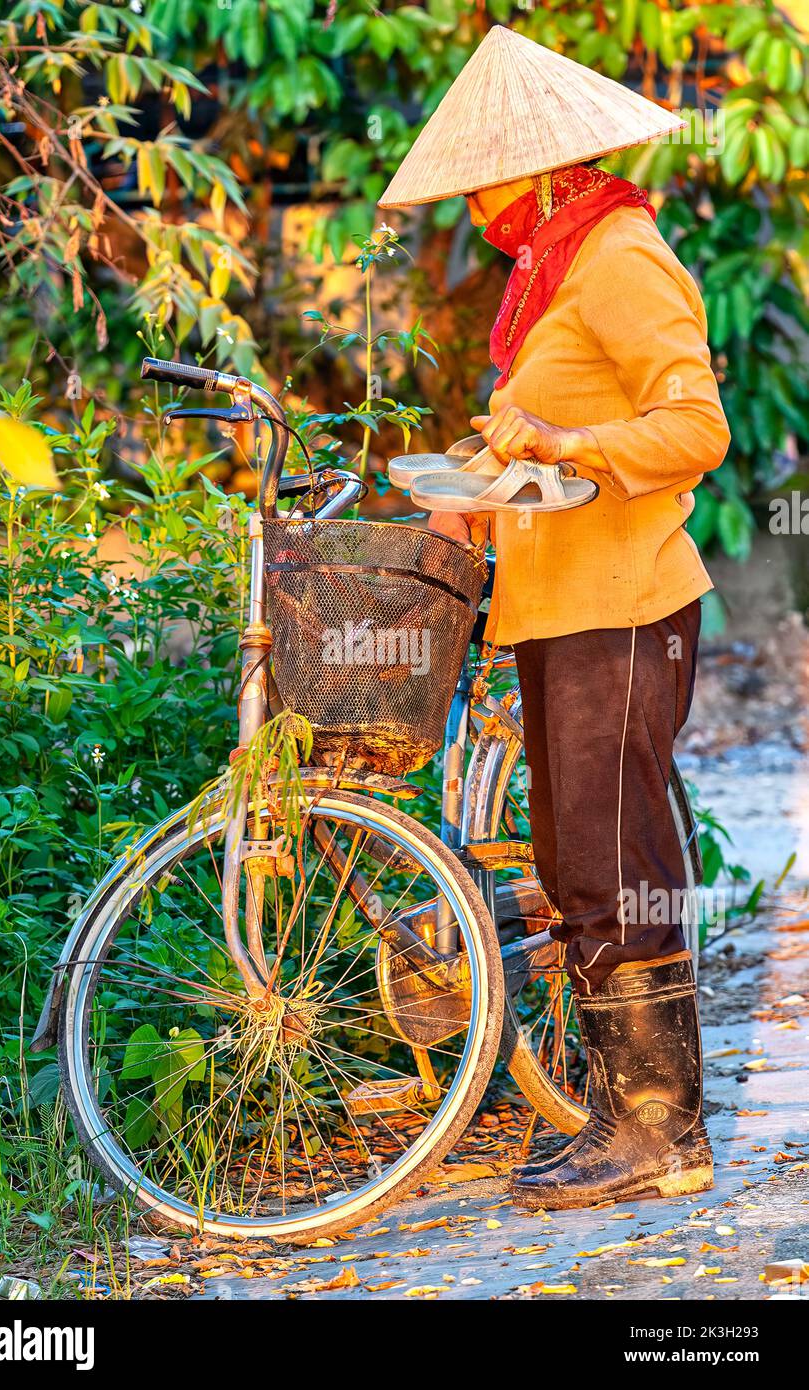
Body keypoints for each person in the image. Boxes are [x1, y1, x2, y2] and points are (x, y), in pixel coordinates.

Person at [379, 27, 730, 1210]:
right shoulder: (553, 273)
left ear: (539, 169)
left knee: (609, 855)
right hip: (562, 605)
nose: (475, 203)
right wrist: (472, 483)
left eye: (486, 178)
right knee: (584, 854)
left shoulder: (617, 255)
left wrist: (567, 443)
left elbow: (694, 429)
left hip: (623, 605)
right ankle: (625, 1110)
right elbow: (545, 432)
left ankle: (657, 1132)